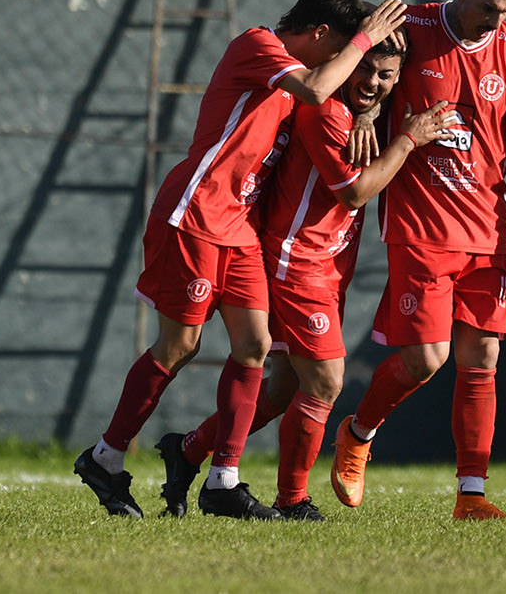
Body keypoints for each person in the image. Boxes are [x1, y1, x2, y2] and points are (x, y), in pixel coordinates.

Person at [74, 0, 407, 521]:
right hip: (197, 214)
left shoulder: (307, 77)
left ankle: (223, 481)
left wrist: (367, 113)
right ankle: (105, 457)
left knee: (254, 346)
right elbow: (319, 90)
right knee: (179, 345)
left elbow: (335, 92)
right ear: (322, 34)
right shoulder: (259, 46)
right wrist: (365, 39)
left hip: (242, 227)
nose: (350, 64)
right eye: (345, 50)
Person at [152, 35, 452, 521]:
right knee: (326, 381)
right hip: (297, 261)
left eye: (386, 75)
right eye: (364, 69)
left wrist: (373, 116)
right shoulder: (326, 111)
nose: (371, 82)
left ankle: (187, 451)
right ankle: (292, 499)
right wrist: (408, 139)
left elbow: (375, 110)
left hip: (328, 265)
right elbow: (355, 193)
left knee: (284, 387)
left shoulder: (363, 110)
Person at [329, 0, 506, 520]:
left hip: (488, 230)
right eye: (488, 9)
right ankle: (357, 433)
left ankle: (471, 495)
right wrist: (366, 113)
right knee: (427, 359)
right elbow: (364, 74)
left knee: (482, 356)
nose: (497, 22)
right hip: (421, 225)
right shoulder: (412, 27)